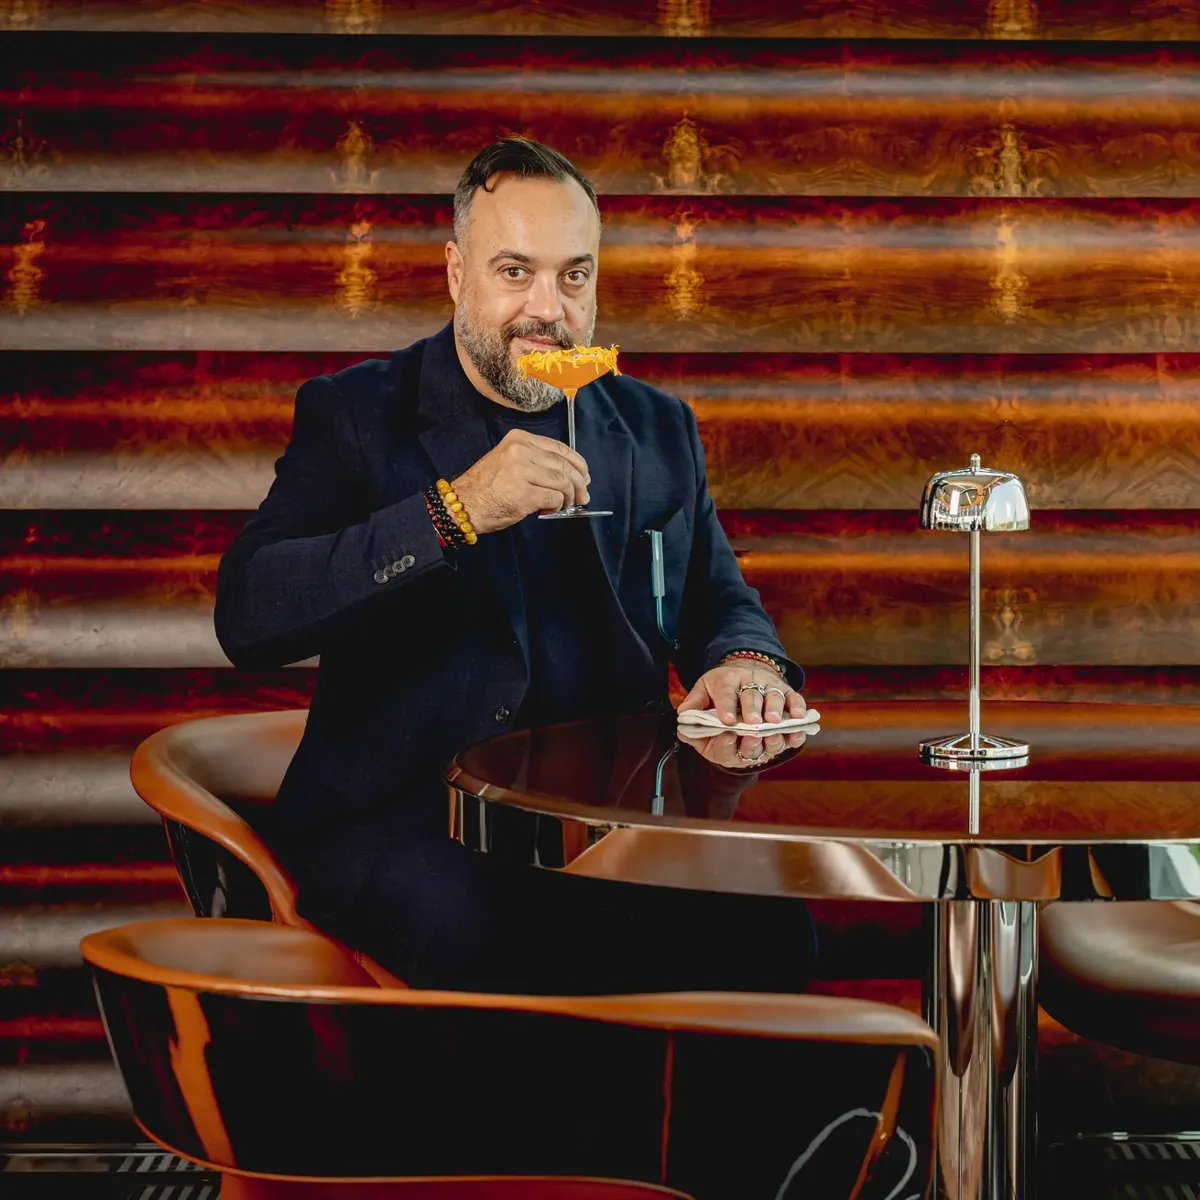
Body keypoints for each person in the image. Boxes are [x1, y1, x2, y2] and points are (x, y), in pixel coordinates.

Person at [215, 137, 815, 994]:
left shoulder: (655, 426)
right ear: (457, 272)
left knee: (773, 932)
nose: (548, 309)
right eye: (515, 272)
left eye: (575, 276)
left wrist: (744, 660)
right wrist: (453, 511)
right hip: (408, 822)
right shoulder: (355, 412)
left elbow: (717, 599)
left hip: (604, 821)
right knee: (508, 942)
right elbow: (249, 614)